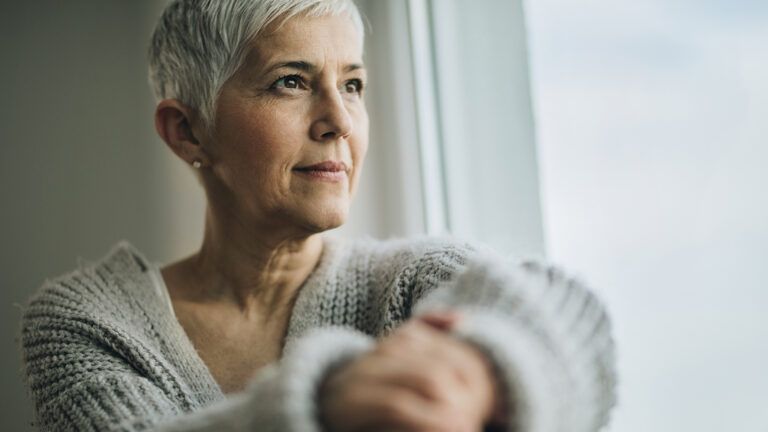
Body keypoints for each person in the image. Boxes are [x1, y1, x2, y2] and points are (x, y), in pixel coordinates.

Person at [19, 0, 617, 431]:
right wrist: (326, 401)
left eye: (352, 85)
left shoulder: (413, 281)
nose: (338, 120)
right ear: (188, 130)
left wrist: (485, 369)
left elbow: (568, 318)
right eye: (290, 82)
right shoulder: (87, 321)